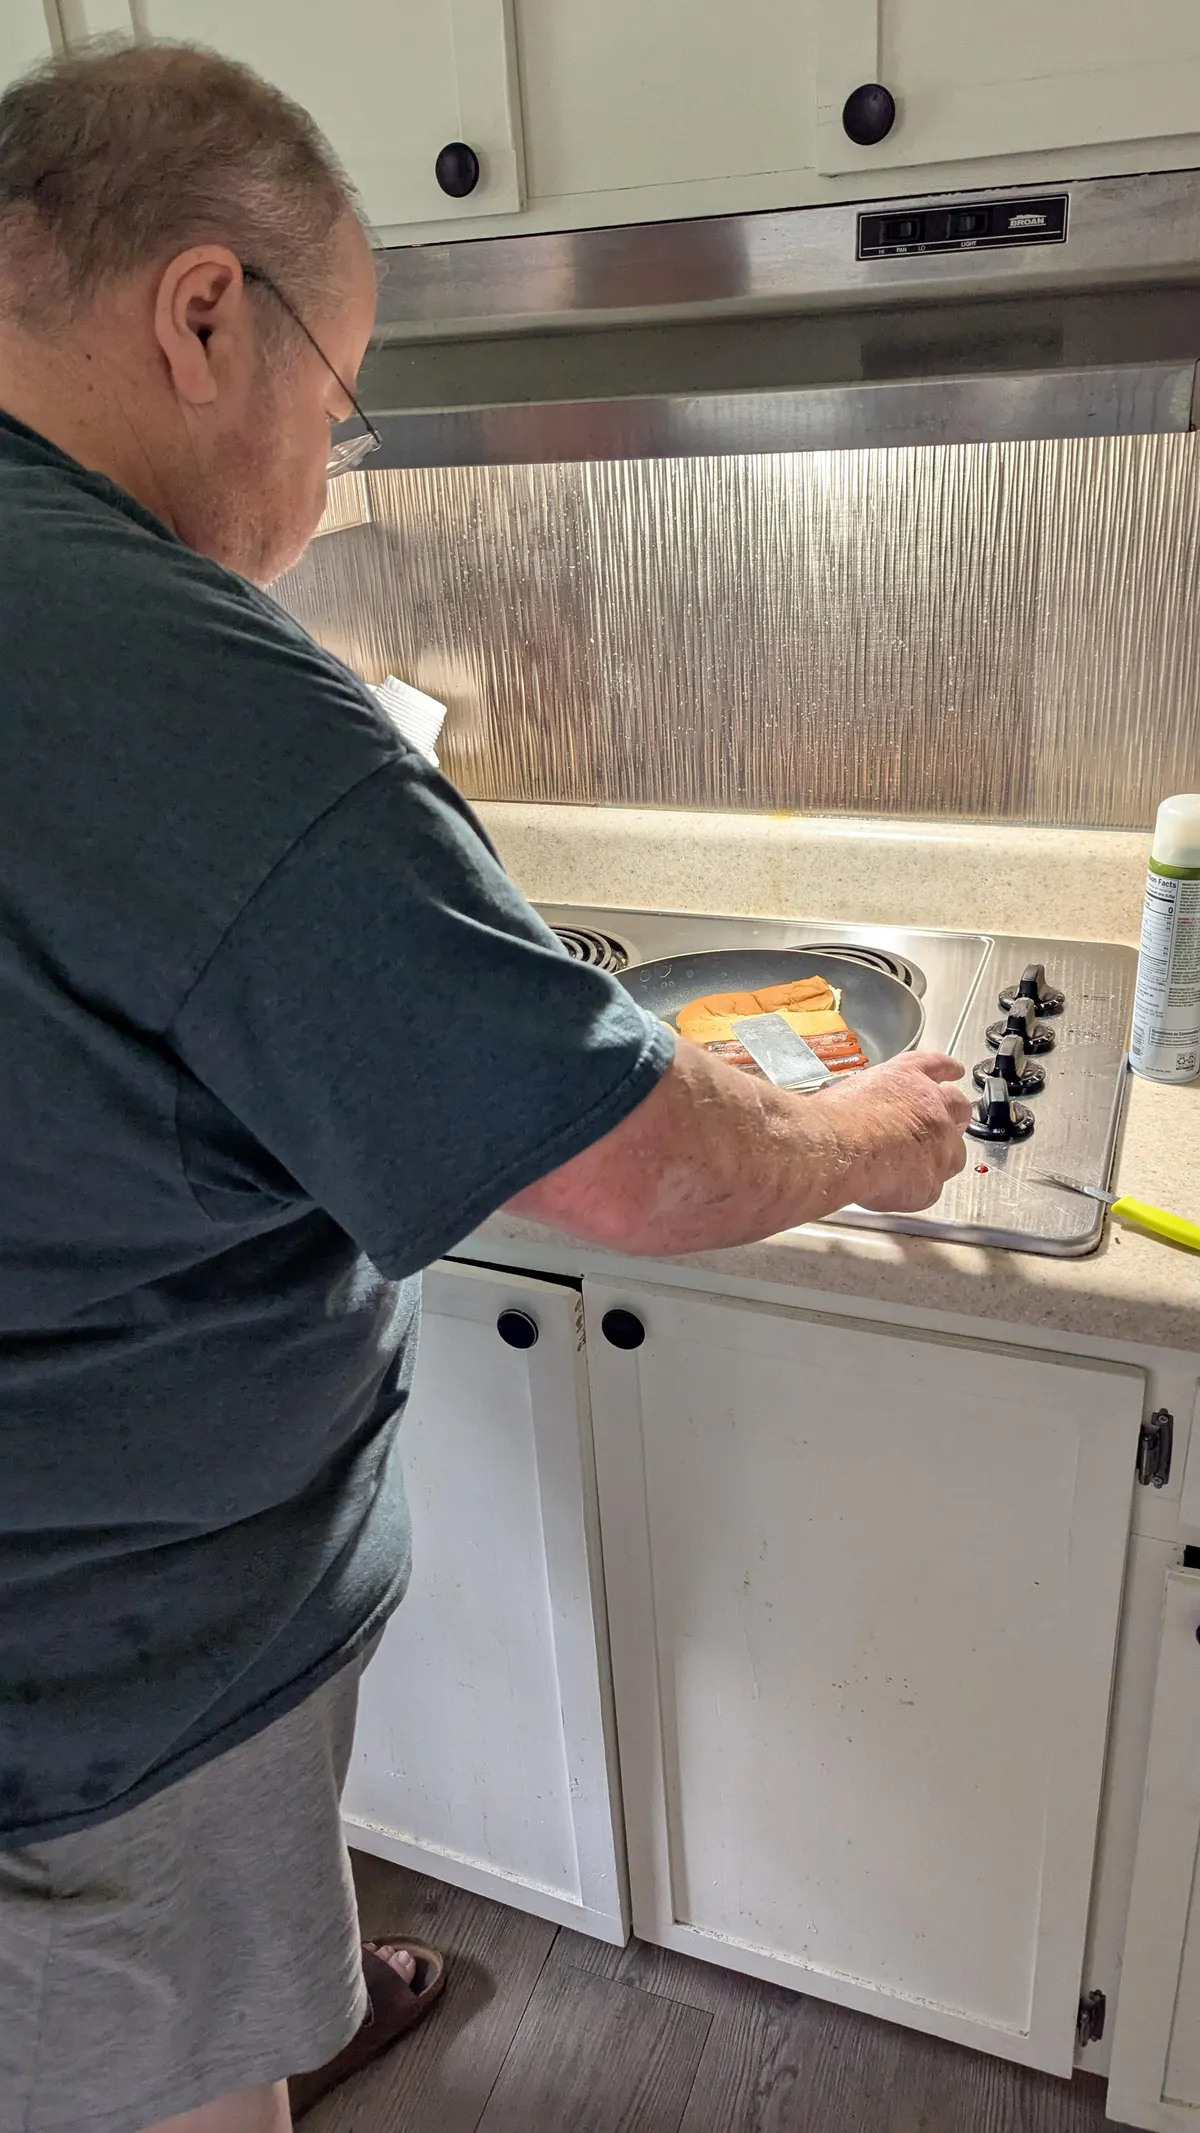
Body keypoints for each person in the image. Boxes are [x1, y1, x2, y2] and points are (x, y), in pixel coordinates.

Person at [0, 39, 971, 2133]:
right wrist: (877, 1130)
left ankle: (298, 1995)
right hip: (105, 1695)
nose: (324, 486)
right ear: (201, 313)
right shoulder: (197, 692)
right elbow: (632, 1169)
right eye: (341, 409)